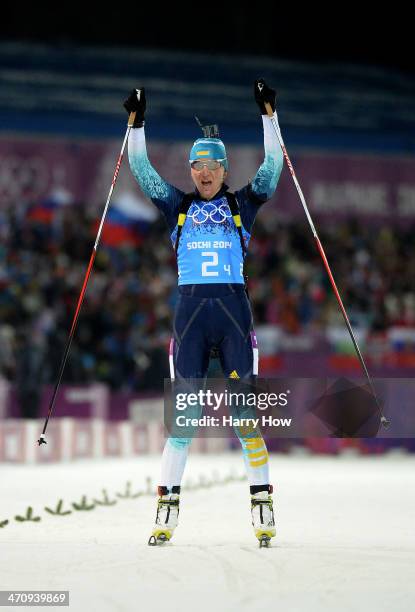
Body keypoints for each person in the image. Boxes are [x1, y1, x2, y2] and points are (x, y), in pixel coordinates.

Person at [124, 79, 284, 546]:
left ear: (224, 168)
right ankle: (166, 508)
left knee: (245, 419)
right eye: (197, 165)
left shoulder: (242, 205)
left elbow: (274, 167)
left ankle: (262, 504)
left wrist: (269, 115)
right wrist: (137, 122)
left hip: (234, 320)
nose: (203, 173)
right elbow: (140, 165)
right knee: (183, 424)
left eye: (212, 165)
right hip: (191, 322)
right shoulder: (178, 206)